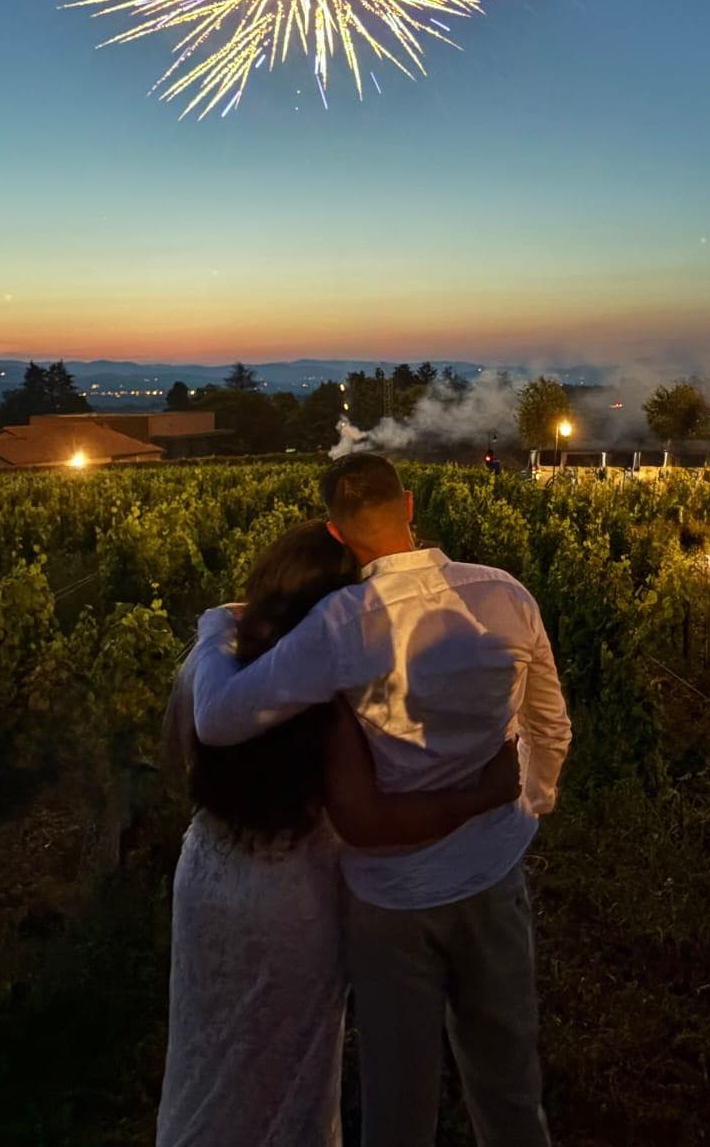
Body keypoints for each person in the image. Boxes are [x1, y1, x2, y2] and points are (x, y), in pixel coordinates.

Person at [193, 455, 572, 1147]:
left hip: (391, 897)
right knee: (512, 1089)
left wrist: (214, 631)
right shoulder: (505, 594)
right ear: (410, 503)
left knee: (399, 1104)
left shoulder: (340, 624)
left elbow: (218, 718)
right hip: (493, 874)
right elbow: (550, 726)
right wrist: (528, 807)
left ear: (337, 533)